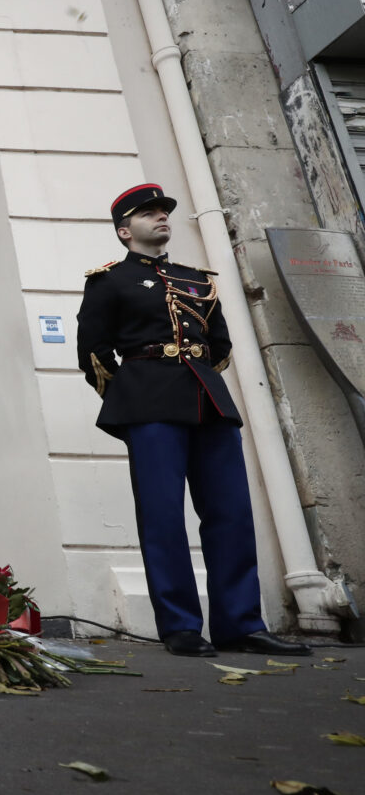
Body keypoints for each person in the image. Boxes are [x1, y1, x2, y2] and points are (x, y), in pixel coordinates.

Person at [76, 182, 309, 658]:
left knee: (230, 515)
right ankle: (180, 626)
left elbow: (217, 346)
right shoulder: (109, 281)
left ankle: (240, 624)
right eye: (148, 213)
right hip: (148, 404)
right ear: (125, 231)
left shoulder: (198, 280)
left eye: (164, 211)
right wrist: (132, 396)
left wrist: (191, 376)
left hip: (208, 401)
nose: (161, 217)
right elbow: (94, 353)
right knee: (163, 517)